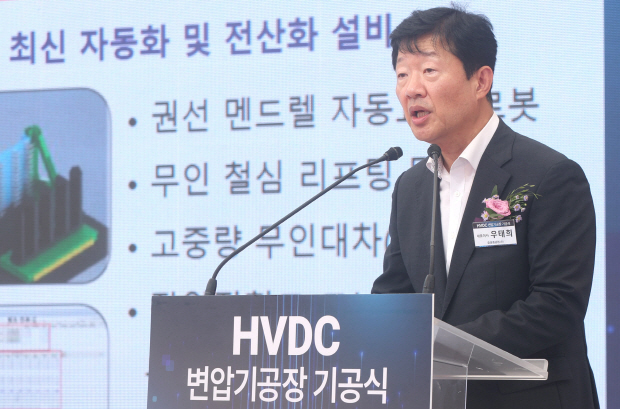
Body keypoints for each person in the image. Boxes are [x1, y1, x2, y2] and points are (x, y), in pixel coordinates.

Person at [371, 6, 599, 409]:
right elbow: (395, 293)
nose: (411, 89)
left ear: (481, 81)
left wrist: (441, 345)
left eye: (429, 71)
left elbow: (557, 305)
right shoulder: (412, 186)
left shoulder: (548, 175)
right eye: (402, 74)